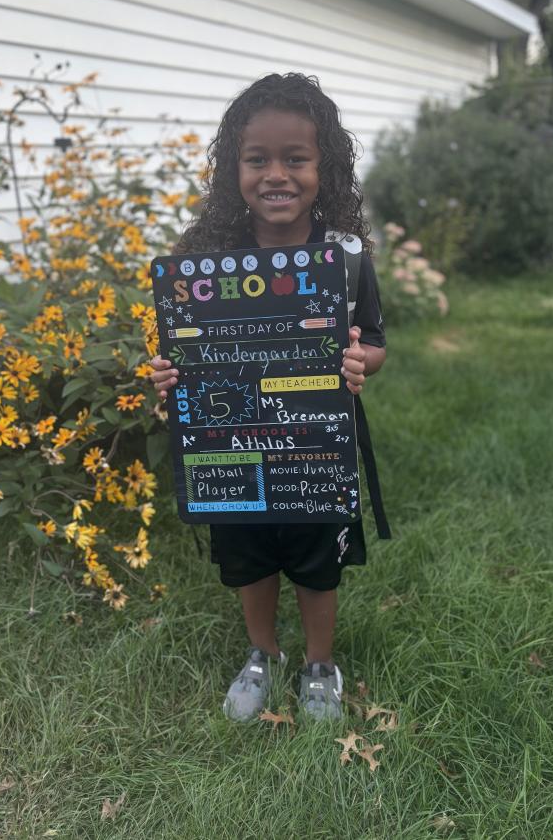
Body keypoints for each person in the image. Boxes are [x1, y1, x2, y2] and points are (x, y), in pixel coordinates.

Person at [150, 72, 386, 721]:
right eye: (257, 159)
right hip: (230, 450)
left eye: (296, 158)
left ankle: (318, 663)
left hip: (314, 446)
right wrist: (168, 375)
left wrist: (356, 362)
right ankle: (263, 653)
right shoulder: (204, 257)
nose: (275, 174)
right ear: (234, 170)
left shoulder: (346, 258)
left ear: (325, 168)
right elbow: (179, 350)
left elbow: (377, 344)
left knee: (317, 560)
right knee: (248, 552)